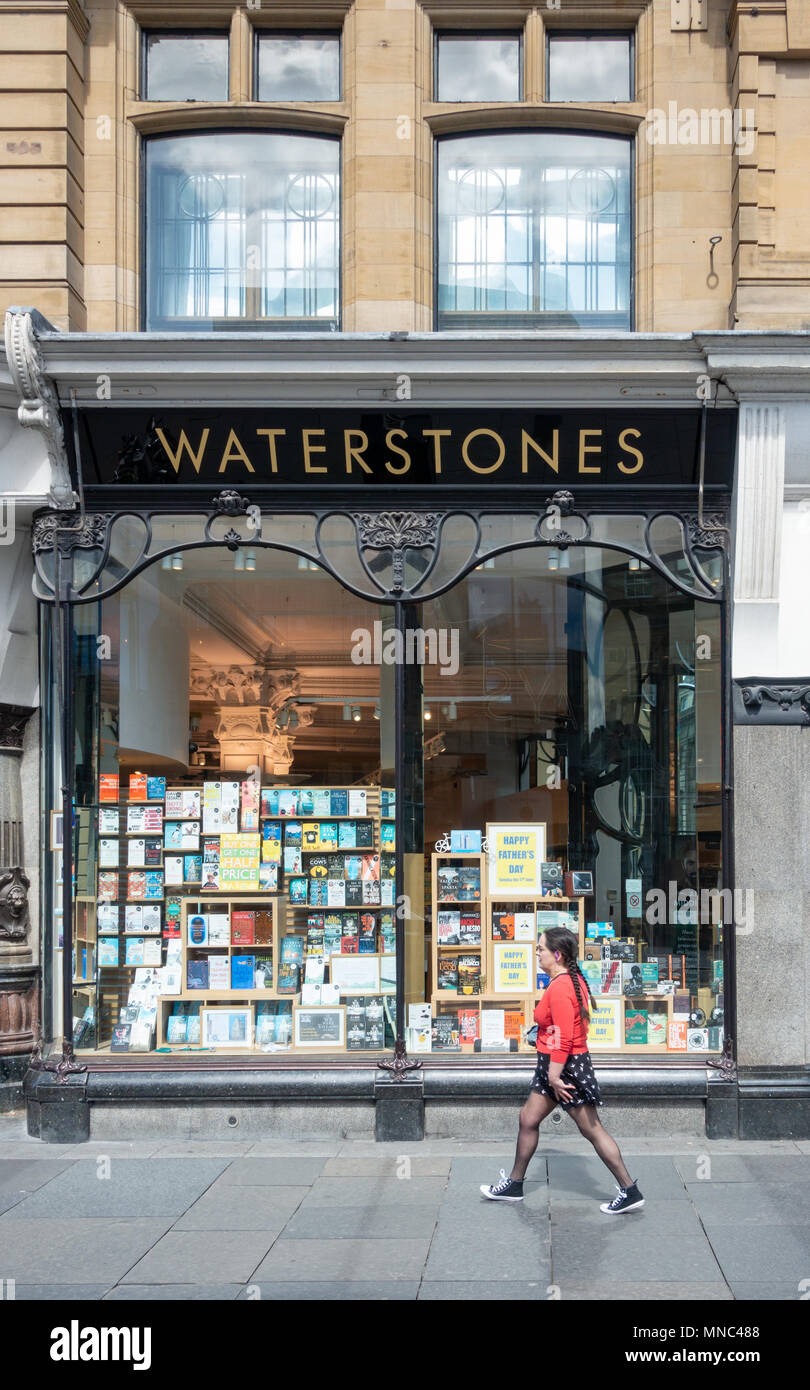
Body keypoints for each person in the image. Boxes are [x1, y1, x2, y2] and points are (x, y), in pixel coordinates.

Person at [480, 925, 645, 1214]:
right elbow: (558, 1030)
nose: (537, 953)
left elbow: (565, 1037)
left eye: (541, 949)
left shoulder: (561, 987)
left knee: (591, 1129)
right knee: (528, 1119)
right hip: (555, 1065)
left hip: (564, 1068)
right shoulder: (569, 980)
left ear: (556, 954)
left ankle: (629, 1190)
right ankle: (515, 1184)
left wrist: (555, 1076)